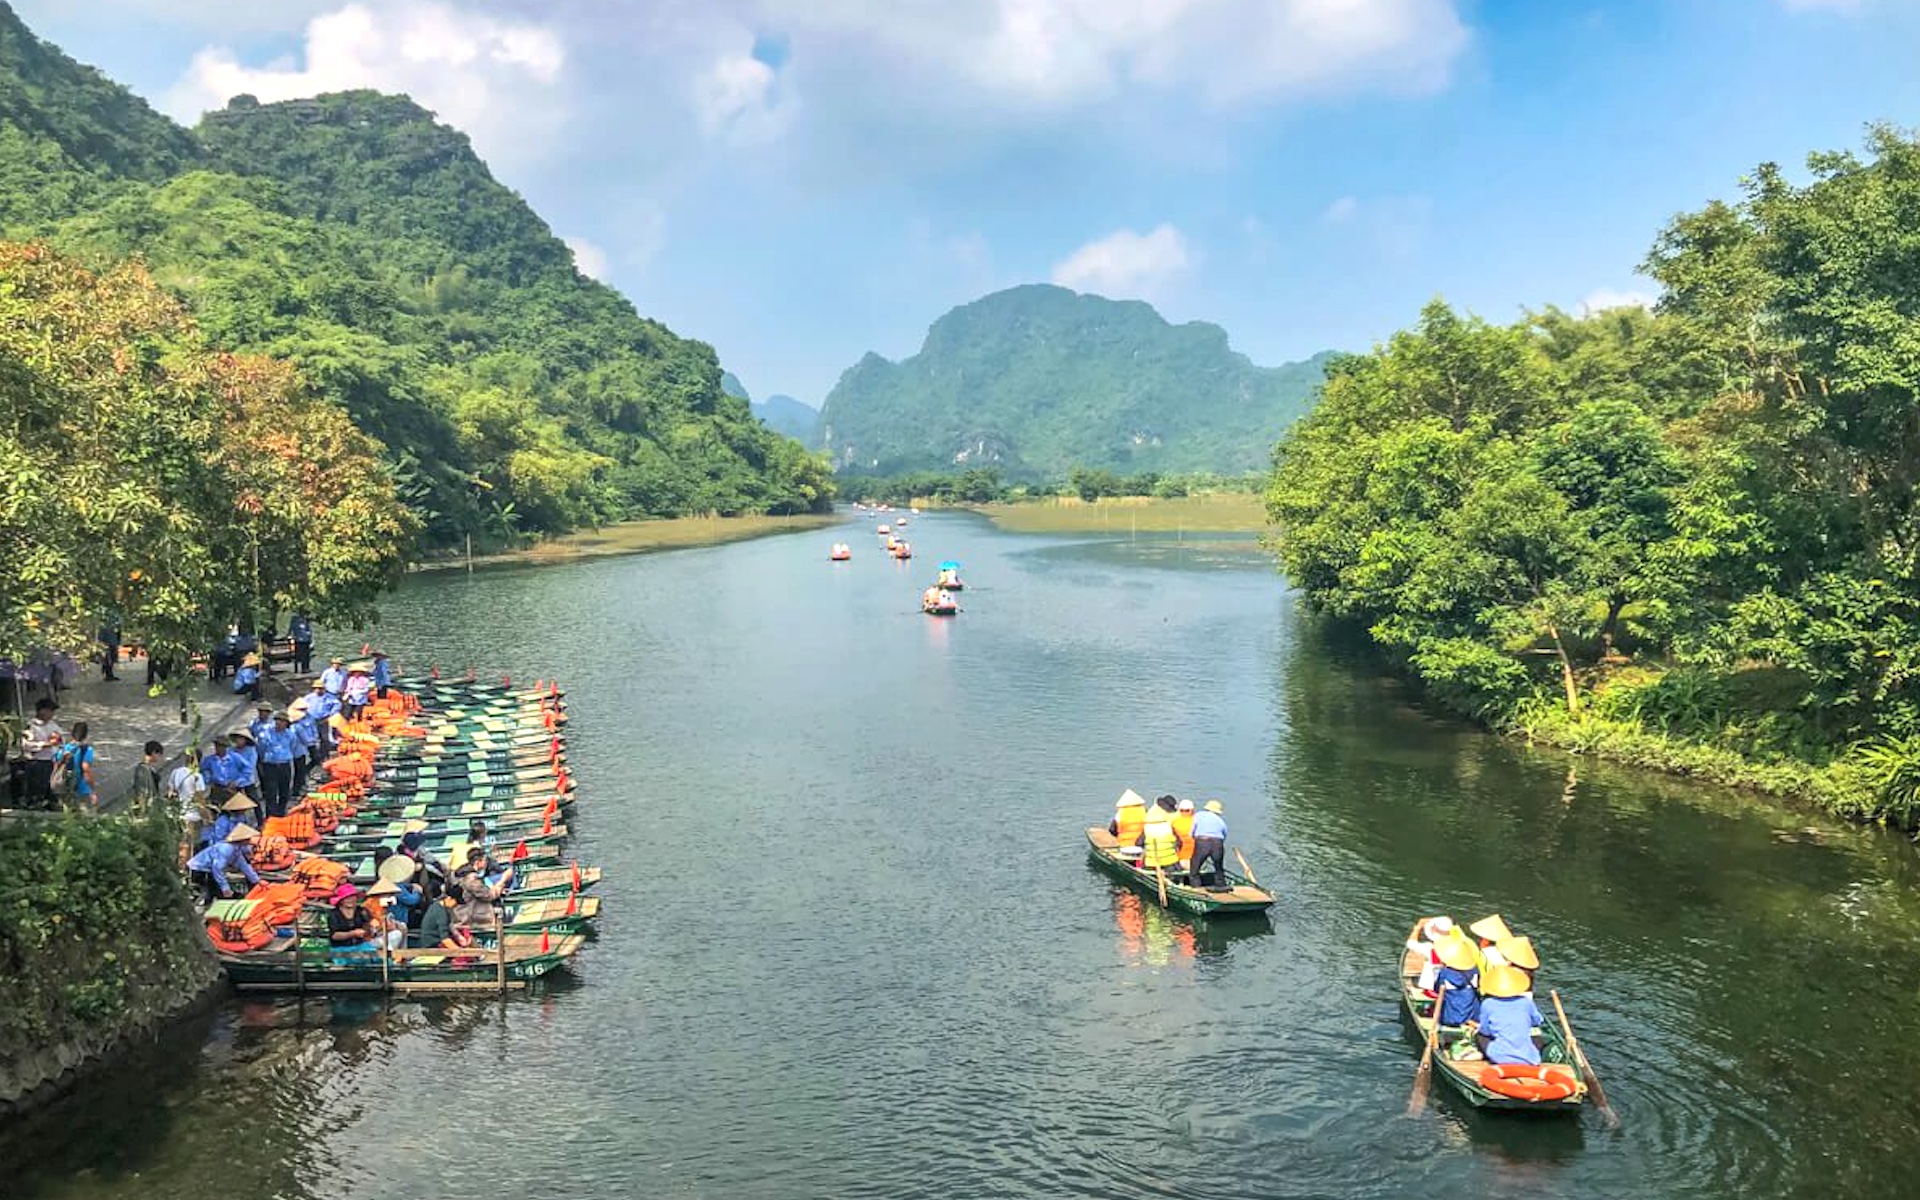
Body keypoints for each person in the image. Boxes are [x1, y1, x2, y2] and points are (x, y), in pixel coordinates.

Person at [1476, 965, 1546, 1065]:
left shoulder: (1487, 1003)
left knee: (1479, 1036)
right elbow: (1538, 1021)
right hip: (1529, 1057)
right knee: (1538, 1038)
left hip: (1499, 1056)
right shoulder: (1526, 1002)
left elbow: (1485, 1030)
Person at [186, 824, 261, 904]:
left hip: (208, 870)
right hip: (198, 869)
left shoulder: (236, 850)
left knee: (218, 893)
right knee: (216, 894)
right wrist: (225, 888)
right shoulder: (226, 849)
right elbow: (217, 868)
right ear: (242, 839)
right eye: (248, 839)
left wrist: (257, 881)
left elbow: (244, 866)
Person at [21, 698, 63, 809]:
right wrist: (43, 745)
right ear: (42, 711)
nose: (52, 714)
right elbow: (26, 745)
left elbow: (60, 740)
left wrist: (58, 741)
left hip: (51, 761)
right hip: (36, 762)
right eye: (50, 711)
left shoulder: (53, 725)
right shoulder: (31, 726)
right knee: (36, 789)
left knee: (50, 788)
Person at [1431, 935, 1481, 1028]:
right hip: (1473, 1016)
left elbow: (1436, 989)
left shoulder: (1445, 973)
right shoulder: (1475, 970)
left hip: (1450, 1018)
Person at [453, 847, 507, 932]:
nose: (486, 862)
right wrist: (500, 886)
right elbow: (489, 896)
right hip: (469, 915)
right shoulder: (471, 880)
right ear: (478, 862)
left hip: (463, 910)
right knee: (499, 909)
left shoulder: (462, 873)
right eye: (484, 860)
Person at [255, 712, 298, 819]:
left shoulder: (290, 734)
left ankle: (281, 812)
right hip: (270, 765)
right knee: (271, 792)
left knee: (285, 791)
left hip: (284, 765)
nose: (279, 723)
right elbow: (261, 749)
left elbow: (292, 746)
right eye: (277, 720)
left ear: (286, 724)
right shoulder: (266, 733)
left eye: (282, 721)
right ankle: (271, 815)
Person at [168, 748, 209, 852]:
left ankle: (177, 865)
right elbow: (199, 798)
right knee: (188, 844)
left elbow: (170, 794)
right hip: (191, 815)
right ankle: (185, 867)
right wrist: (206, 817)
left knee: (178, 842)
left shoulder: (175, 772)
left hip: (176, 813)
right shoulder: (197, 777)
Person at [326, 886, 382, 958]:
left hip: (361, 945)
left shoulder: (362, 911)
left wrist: (373, 926)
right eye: (347, 898)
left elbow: (371, 923)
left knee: (376, 958)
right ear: (341, 900)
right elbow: (334, 936)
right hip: (341, 948)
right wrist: (352, 934)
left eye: (353, 897)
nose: (350, 900)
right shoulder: (334, 914)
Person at [53, 722, 97, 810]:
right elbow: (86, 769)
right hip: (82, 789)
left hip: (64, 788)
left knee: (66, 815)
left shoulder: (64, 749)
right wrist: (92, 790)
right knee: (86, 817)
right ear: (86, 735)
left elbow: (56, 765)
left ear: (72, 734)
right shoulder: (87, 750)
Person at [1407, 915, 1456, 992]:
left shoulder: (1429, 948)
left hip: (1431, 987)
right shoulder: (1457, 946)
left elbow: (1410, 943)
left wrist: (1417, 928)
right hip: (1450, 984)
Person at [365, 879, 413, 950]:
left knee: (402, 926)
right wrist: (388, 926)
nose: (391, 897)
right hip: (370, 940)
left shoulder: (384, 907)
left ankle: (402, 955)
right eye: (388, 895)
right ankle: (390, 957)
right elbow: (373, 930)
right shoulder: (368, 908)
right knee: (396, 934)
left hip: (382, 933)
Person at [1189, 800, 1228, 887]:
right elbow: (1224, 834)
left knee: (1194, 868)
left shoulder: (1198, 815)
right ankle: (1221, 886)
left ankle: (1196, 888)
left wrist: (1194, 838)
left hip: (1202, 842)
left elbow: (1192, 831)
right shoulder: (1220, 821)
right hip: (1218, 843)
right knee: (1218, 868)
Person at [1139, 799, 1180, 878]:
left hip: (1151, 862)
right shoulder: (1168, 827)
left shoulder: (1147, 828)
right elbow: (1178, 842)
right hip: (1170, 861)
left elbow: (1138, 843)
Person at [288, 699, 317, 799]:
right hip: (299, 751)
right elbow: (305, 740)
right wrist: (312, 742)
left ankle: (298, 788)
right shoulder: (298, 727)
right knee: (299, 772)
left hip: (293, 752)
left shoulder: (290, 727)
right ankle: (296, 791)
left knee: (297, 772)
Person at [133, 740, 167, 816]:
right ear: (153, 753)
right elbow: (141, 791)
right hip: (148, 806)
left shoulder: (150, 768)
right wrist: (142, 811)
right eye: (159, 754)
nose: (160, 757)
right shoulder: (142, 769)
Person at [226, 728, 260, 802]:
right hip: (234, 781)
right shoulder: (230, 750)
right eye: (237, 738)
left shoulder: (251, 751)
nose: (238, 740)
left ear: (245, 740)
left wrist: (239, 780)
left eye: (241, 738)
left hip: (248, 780)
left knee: (254, 801)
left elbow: (250, 767)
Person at [1171, 798, 1196, 879]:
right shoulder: (1197, 822)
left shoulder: (1175, 823)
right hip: (1196, 859)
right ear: (1192, 810)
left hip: (1180, 859)